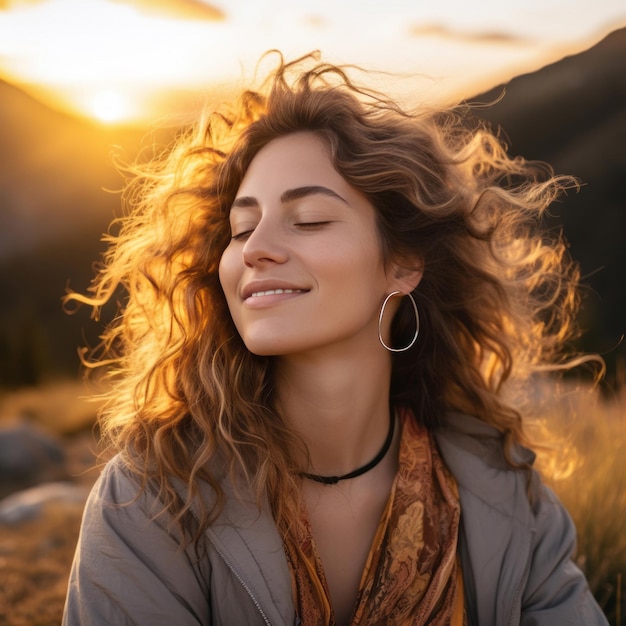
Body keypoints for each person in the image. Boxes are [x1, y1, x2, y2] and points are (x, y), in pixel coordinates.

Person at [62, 53, 608, 625]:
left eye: (310, 220)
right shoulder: (154, 497)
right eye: (241, 228)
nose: (254, 249)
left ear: (401, 265)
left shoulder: (504, 495)